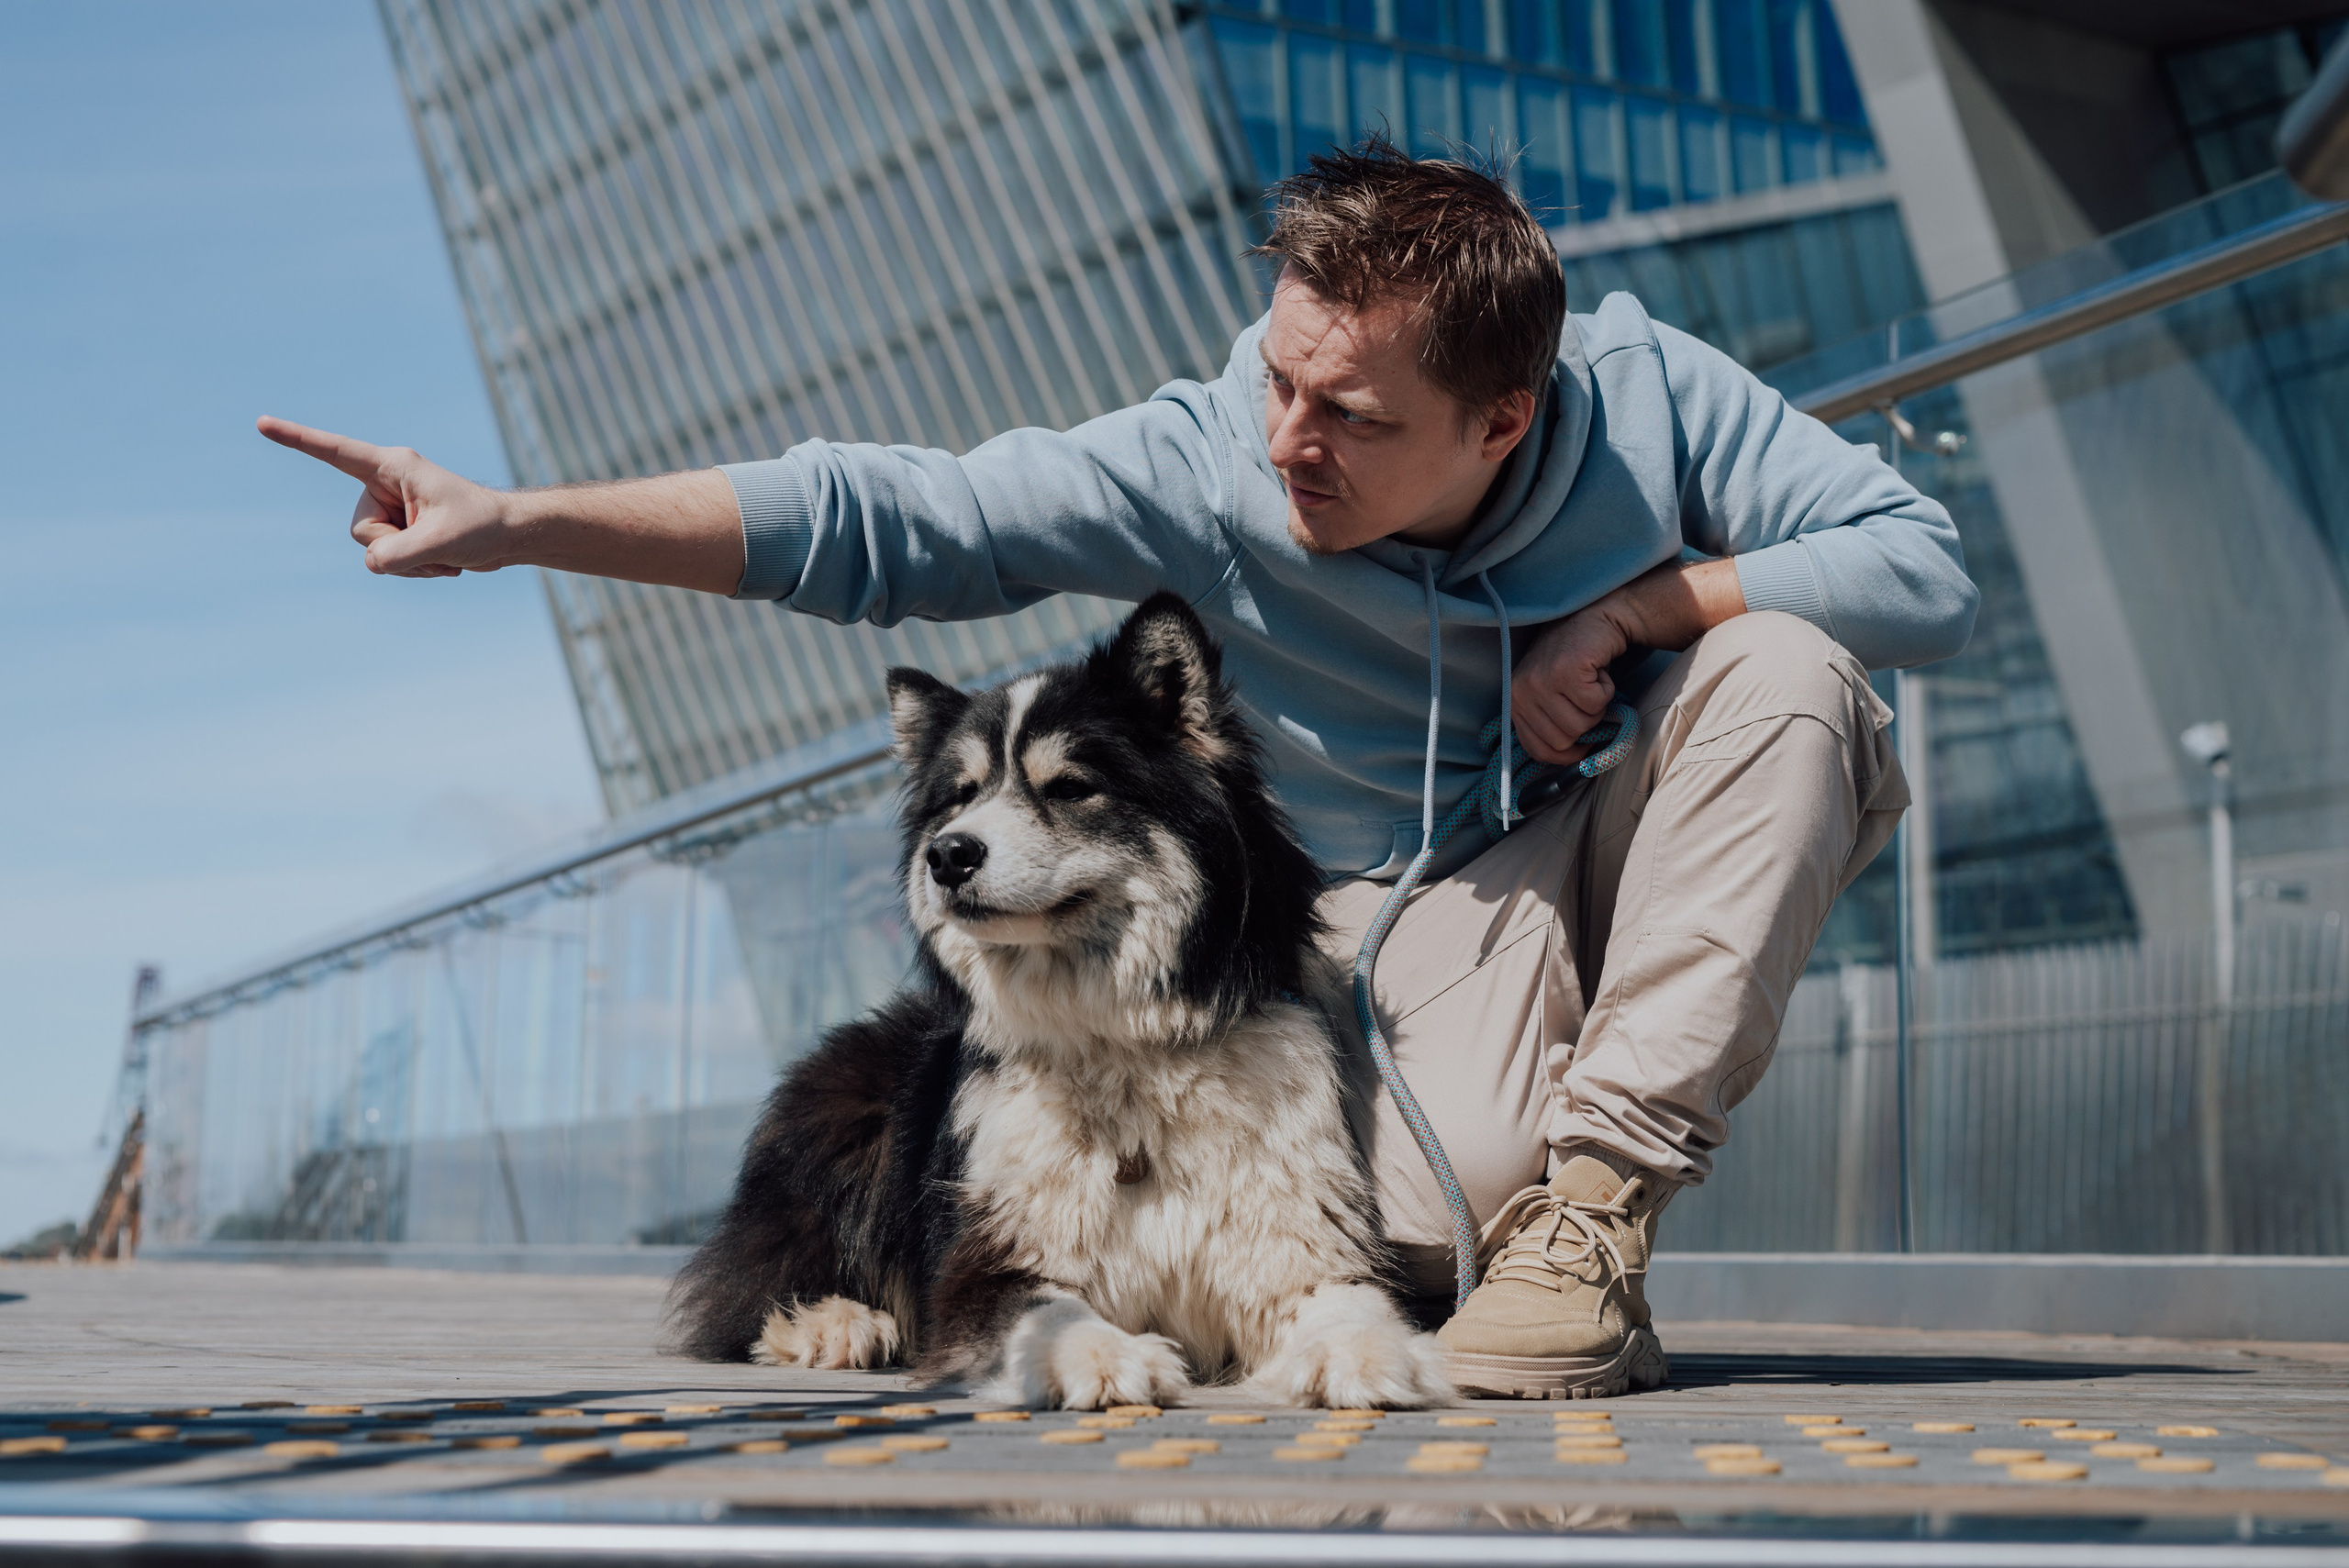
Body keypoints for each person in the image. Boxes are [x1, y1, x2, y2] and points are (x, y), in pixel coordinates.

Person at [262, 139, 1974, 1398]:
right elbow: (891, 515)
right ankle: (1504, 1204)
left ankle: (1594, 1220)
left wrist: (1639, 609)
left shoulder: (1655, 396)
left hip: (1614, 843)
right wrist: (522, 522)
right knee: (1420, 1219)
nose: (1286, 440)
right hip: (1393, 929)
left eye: (1350, 416)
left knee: (1791, 670)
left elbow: (1922, 566)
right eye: (1281, 377)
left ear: (1503, 418)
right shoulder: (1209, 462)